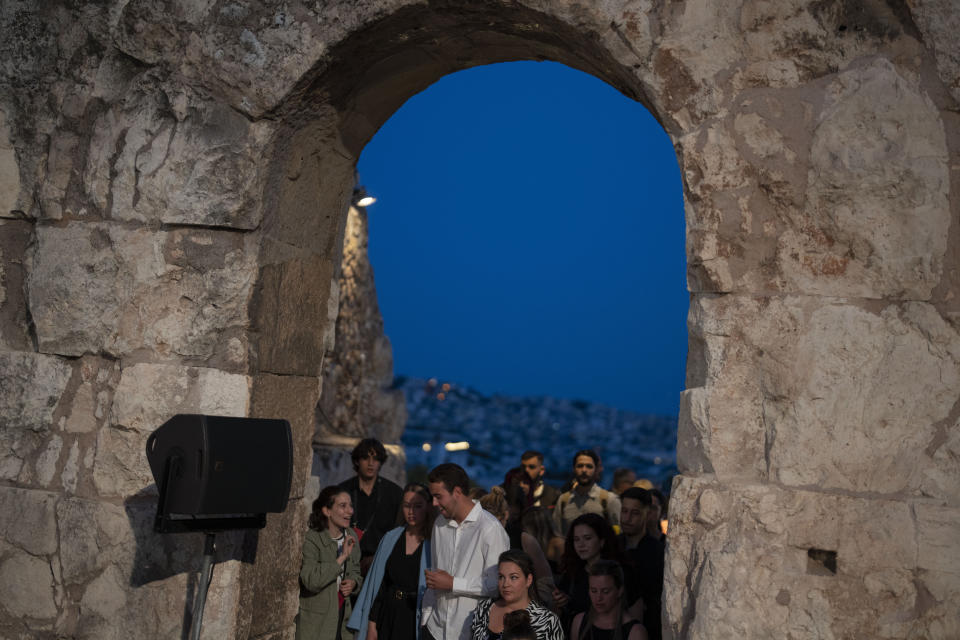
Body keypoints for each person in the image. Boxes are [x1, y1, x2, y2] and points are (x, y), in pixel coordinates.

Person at [422, 463, 510, 640]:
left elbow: (497, 585)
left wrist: (454, 583)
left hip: (470, 633)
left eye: (438, 496)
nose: (434, 503)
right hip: (434, 630)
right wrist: (425, 620)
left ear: (457, 492)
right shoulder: (439, 523)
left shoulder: (490, 529)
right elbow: (435, 577)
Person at [348, 483, 436, 640]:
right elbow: (380, 585)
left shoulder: (434, 543)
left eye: (418, 506)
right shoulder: (391, 538)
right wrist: (372, 624)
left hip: (415, 618)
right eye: (407, 506)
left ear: (428, 507)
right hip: (387, 615)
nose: (411, 512)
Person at [297, 486, 363, 640]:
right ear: (327, 511)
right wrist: (341, 557)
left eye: (350, 506)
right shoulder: (313, 538)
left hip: (343, 619)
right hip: (317, 623)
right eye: (342, 506)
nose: (350, 511)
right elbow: (310, 580)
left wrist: (353, 583)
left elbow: (356, 572)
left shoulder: (352, 536)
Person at [479, 487, 556, 607]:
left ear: (506, 515)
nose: (491, 527)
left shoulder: (524, 539)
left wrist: (528, 606)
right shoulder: (475, 540)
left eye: (495, 521)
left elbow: (545, 581)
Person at [339, 439, 404, 573]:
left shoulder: (394, 493)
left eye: (375, 458)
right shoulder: (342, 491)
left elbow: (400, 533)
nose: (370, 463)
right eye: (365, 458)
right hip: (346, 562)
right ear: (357, 461)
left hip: (382, 564)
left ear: (380, 462)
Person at [469, 550, 564, 640]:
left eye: (513, 577)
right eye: (501, 577)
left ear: (529, 580)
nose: (505, 584)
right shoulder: (484, 608)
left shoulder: (547, 621)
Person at [552, 514, 620, 632]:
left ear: (602, 541)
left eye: (587, 538)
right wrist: (562, 601)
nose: (581, 544)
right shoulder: (572, 573)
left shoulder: (618, 572)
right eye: (576, 539)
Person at [618, 489, 664, 640]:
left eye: (635, 513)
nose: (627, 518)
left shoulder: (657, 552)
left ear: (647, 513)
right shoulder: (612, 546)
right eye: (624, 511)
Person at [570, 560, 647, 640]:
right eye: (594, 591)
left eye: (605, 591)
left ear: (620, 590)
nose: (598, 598)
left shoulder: (636, 632)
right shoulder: (579, 622)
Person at [553, 450, 621, 536]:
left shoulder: (609, 500)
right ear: (574, 469)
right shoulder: (563, 500)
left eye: (589, 466)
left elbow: (620, 534)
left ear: (596, 470)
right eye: (580, 466)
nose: (584, 470)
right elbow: (558, 535)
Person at [521, 507, 565, 572]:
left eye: (525, 526)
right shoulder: (531, 544)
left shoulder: (559, 544)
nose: (523, 530)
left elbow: (565, 571)